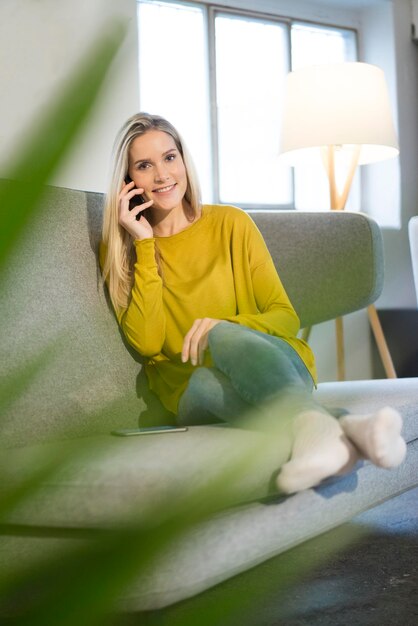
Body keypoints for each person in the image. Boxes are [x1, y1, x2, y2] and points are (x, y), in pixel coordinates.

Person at [100, 112, 407, 494]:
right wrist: (145, 245)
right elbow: (147, 343)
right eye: (144, 166)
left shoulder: (232, 224)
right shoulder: (127, 251)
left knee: (221, 351)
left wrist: (222, 329)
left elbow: (285, 318)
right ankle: (343, 425)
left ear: (183, 160)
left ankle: (324, 434)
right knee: (205, 382)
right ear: (129, 181)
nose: (162, 175)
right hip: (189, 392)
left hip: (273, 365)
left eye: (169, 157)